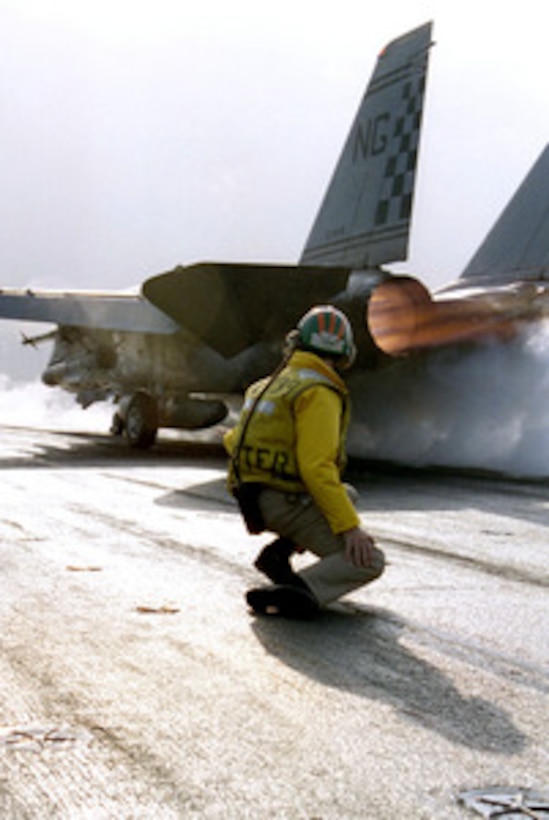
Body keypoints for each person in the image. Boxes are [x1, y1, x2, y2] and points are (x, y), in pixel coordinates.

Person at [224, 304, 385, 618]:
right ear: (345, 353)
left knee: (347, 495)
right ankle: (301, 591)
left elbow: (232, 440)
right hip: (282, 502)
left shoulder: (264, 386)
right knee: (369, 561)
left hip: (250, 497)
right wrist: (351, 529)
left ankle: (277, 557)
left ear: (295, 343)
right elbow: (317, 466)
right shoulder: (319, 392)